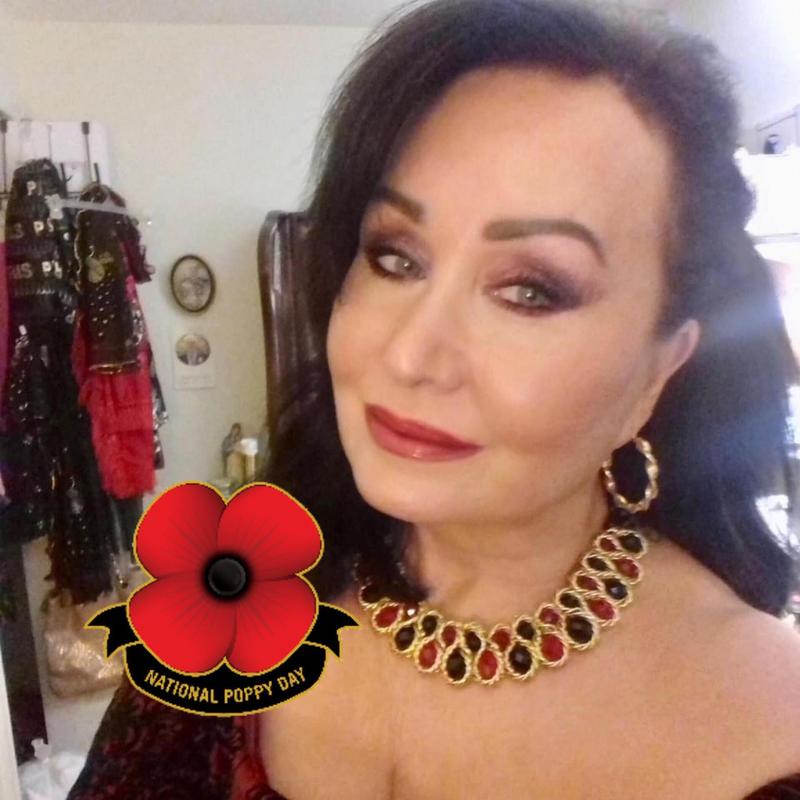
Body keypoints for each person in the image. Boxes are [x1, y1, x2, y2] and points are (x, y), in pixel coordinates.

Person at [67, 1, 800, 798]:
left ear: (660, 368)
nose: (409, 354)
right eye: (395, 257)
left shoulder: (771, 721)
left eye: (530, 290)